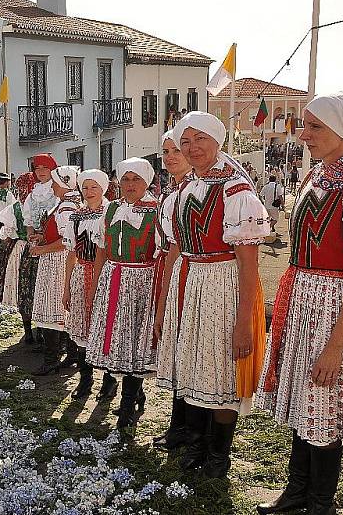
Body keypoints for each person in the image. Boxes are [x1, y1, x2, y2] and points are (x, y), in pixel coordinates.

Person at [254, 94, 343, 515]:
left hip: (334, 307)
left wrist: (336, 343)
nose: (304, 134)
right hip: (303, 302)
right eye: (305, 124)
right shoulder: (320, 176)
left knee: (323, 404)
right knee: (304, 399)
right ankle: (297, 493)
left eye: (316, 127)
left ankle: (320, 503)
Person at [154, 111, 270, 478]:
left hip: (223, 286)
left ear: (218, 141)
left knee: (221, 373)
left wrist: (245, 322)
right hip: (190, 282)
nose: (192, 148)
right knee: (198, 367)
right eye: (185, 142)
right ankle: (200, 444)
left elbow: (249, 266)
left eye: (199, 139)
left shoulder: (237, 191)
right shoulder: (188, 186)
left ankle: (220, 456)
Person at [85, 158, 158, 432]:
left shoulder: (156, 210)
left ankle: (126, 407)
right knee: (119, 340)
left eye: (135, 179)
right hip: (113, 277)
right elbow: (102, 250)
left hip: (142, 281)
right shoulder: (112, 208)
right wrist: (94, 287)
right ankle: (135, 394)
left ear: (147, 181)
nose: (129, 185)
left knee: (134, 341)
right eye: (125, 179)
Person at [153, 130, 195, 451]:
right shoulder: (171, 193)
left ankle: (189, 429)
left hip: (195, 274)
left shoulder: (195, 189)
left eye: (175, 150)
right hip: (175, 270)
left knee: (189, 349)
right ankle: (178, 424)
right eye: (165, 151)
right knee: (178, 349)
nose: (169, 157)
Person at [30, 165, 81, 376]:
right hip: (55, 258)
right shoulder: (67, 203)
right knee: (60, 309)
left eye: (54, 181)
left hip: (57, 261)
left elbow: (67, 241)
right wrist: (43, 237)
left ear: (62, 183)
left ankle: (52, 358)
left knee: (54, 308)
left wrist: (42, 248)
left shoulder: (67, 207)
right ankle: (71, 354)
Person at [62, 169, 108, 398]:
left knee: (105, 326)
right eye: (86, 187)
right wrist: (66, 286)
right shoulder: (76, 216)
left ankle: (109, 382)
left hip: (105, 274)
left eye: (94, 187)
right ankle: (85, 380)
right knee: (81, 329)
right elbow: (71, 253)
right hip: (81, 272)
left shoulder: (110, 213)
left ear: (103, 188)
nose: (89, 192)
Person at [20, 156, 59, 345]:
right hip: (35, 244)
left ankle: (55, 335)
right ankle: (38, 328)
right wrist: (30, 234)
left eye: (45, 168)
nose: (41, 171)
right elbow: (28, 220)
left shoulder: (57, 191)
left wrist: (44, 237)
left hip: (53, 245)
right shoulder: (32, 193)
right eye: (38, 168)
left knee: (51, 289)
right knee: (31, 288)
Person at [0, 173, 17, 269]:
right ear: (6, 182)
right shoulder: (8, 194)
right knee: (8, 237)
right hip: (6, 217)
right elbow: (13, 207)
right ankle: (6, 259)